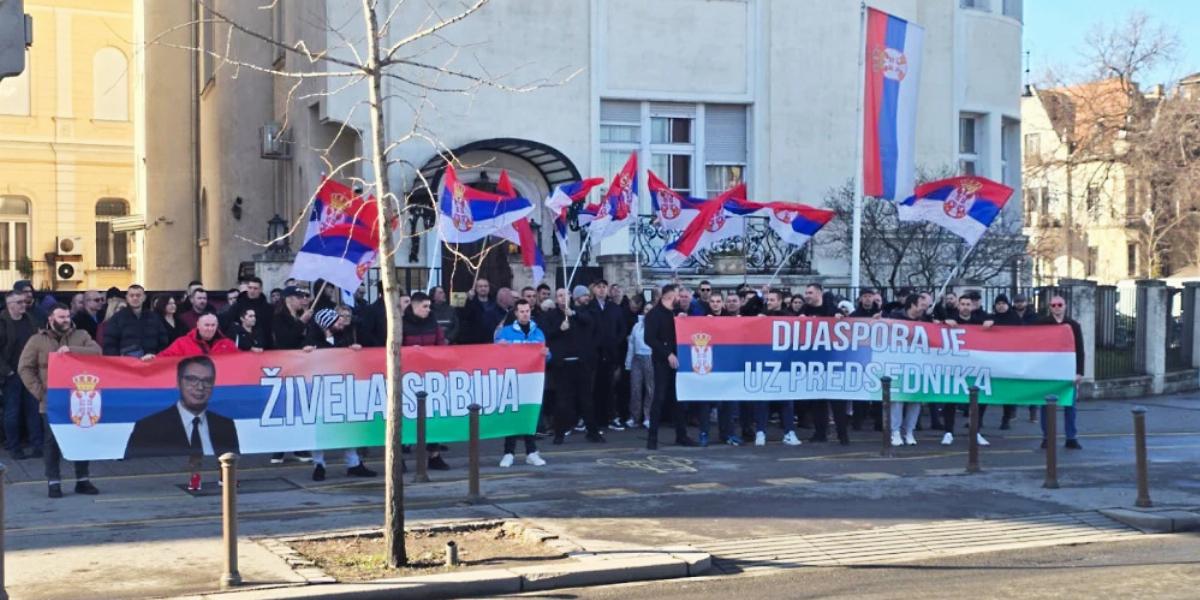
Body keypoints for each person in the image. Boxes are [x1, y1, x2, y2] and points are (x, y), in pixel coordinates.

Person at [18, 304, 102, 498]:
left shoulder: (81, 335)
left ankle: (82, 480)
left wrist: (70, 350)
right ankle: (53, 482)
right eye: (61, 317)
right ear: (50, 318)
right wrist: (39, 392)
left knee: (81, 438)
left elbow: (97, 352)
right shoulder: (37, 340)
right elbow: (25, 367)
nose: (65, 320)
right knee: (51, 442)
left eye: (67, 316)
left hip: (78, 399)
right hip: (50, 401)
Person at [302, 308, 376, 480]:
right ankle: (318, 464)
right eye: (336, 320)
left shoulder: (344, 336)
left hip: (342, 389)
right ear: (327, 324)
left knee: (347, 425)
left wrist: (354, 349)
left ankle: (354, 463)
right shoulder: (312, 340)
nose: (341, 322)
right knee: (319, 427)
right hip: (320, 390)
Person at [543, 287, 604, 444]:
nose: (563, 298)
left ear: (571, 297)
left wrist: (574, 314)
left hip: (581, 363)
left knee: (586, 399)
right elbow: (546, 335)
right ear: (556, 299)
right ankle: (559, 434)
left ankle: (593, 432)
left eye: (565, 295)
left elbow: (590, 322)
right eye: (559, 296)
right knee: (563, 401)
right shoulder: (551, 315)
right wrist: (559, 329)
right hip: (562, 365)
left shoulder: (581, 312)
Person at [495, 299, 549, 468]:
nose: (525, 314)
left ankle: (531, 452)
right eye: (522, 311)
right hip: (512, 379)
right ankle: (508, 453)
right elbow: (494, 353)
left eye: (527, 311)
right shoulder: (506, 332)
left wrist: (546, 354)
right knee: (512, 415)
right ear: (516, 313)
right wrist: (499, 346)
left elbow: (547, 356)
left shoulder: (538, 333)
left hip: (531, 381)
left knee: (529, 416)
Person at [400, 292, 451, 471]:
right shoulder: (401, 324)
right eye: (425, 306)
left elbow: (441, 344)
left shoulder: (432, 322)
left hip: (430, 375)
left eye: (429, 306)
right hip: (407, 377)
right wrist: (409, 351)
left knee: (432, 416)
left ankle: (434, 455)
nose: (429, 310)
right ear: (414, 307)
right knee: (405, 417)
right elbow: (394, 347)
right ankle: (399, 458)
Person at [643, 284, 695, 449]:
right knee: (659, 398)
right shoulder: (654, 314)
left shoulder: (677, 313)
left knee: (679, 398)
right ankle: (652, 438)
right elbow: (650, 339)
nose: (680, 298)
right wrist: (667, 354)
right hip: (661, 361)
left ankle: (681, 435)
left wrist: (683, 321)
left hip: (679, 360)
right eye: (678, 295)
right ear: (669, 296)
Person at [940, 296, 995, 447]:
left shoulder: (979, 319)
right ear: (958, 306)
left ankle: (975, 431)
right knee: (951, 400)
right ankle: (948, 432)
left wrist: (991, 321)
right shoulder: (951, 319)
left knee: (979, 400)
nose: (965, 307)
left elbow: (995, 320)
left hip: (975, 367)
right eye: (962, 304)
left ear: (973, 306)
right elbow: (934, 326)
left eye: (968, 304)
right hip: (954, 366)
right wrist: (945, 322)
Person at [799, 283, 850, 445]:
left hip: (832, 362)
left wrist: (840, 320)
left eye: (810, 292)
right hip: (813, 362)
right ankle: (820, 433)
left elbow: (849, 326)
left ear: (819, 293)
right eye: (806, 293)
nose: (806, 295)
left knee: (837, 401)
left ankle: (842, 434)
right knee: (817, 401)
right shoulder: (804, 311)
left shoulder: (832, 310)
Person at [1039, 296, 1084, 450]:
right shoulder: (1042, 324)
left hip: (1068, 371)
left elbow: (1080, 350)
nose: (1057, 307)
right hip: (1048, 371)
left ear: (1065, 306)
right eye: (1053, 305)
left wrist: (1080, 372)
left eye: (1060, 304)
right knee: (1046, 405)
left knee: (1070, 405)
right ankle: (1047, 437)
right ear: (1050, 307)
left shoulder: (1073, 325)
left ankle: (1071, 437)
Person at [2, 291, 41, 459]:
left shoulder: (30, 320)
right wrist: (7, 371)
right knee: (12, 411)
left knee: (33, 410)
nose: (23, 305)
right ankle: (14, 447)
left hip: (30, 372)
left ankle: (37, 446)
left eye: (24, 302)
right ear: (9, 304)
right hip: (12, 374)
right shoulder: (2, 323)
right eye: (18, 302)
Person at [888, 295, 928, 446]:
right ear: (912, 305)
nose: (925, 308)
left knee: (915, 399)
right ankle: (895, 431)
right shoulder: (894, 318)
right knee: (897, 399)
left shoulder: (926, 321)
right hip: (898, 364)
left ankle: (909, 431)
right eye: (922, 304)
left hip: (918, 365)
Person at [587, 279, 625, 432]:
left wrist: (615, 342)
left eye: (604, 287)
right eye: (598, 287)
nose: (601, 290)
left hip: (610, 353)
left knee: (609, 387)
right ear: (594, 289)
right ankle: (595, 420)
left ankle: (609, 417)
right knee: (594, 387)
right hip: (595, 354)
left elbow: (622, 329)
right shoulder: (589, 308)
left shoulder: (614, 308)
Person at [102, 285, 169, 359]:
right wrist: (119, 360)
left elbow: (163, 341)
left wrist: (157, 356)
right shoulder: (117, 318)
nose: (135, 298)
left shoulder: (154, 318)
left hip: (152, 361)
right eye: (132, 295)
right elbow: (109, 343)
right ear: (127, 298)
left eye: (138, 295)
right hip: (126, 364)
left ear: (144, 298)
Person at [625, 301, 654, 430]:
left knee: (650, 389)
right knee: (635, 388)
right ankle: (634, 417)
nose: (648, 311)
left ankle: (648, 416)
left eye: (650, 309)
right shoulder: (637, 326)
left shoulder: (656, 325)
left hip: (650, 357)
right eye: (646, 309)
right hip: (637, 358)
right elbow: (631, 344)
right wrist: (628, 362)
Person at [458, 278, 505, 344]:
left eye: (485, 286)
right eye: (480, 286)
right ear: (476, 289)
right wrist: (469, 301)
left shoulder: (495, 302)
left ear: (489, 288)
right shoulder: (470, 302)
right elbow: (465, 316)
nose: (483, 288)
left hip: (492, 339)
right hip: (475, 341)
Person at [235, 276, 274, 347]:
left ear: (261, 289)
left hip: (265, 346)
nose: (252, 291)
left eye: (255, 288)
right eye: (250, 288)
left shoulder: (268, 308)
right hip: (244, 346)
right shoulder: (238, 305)